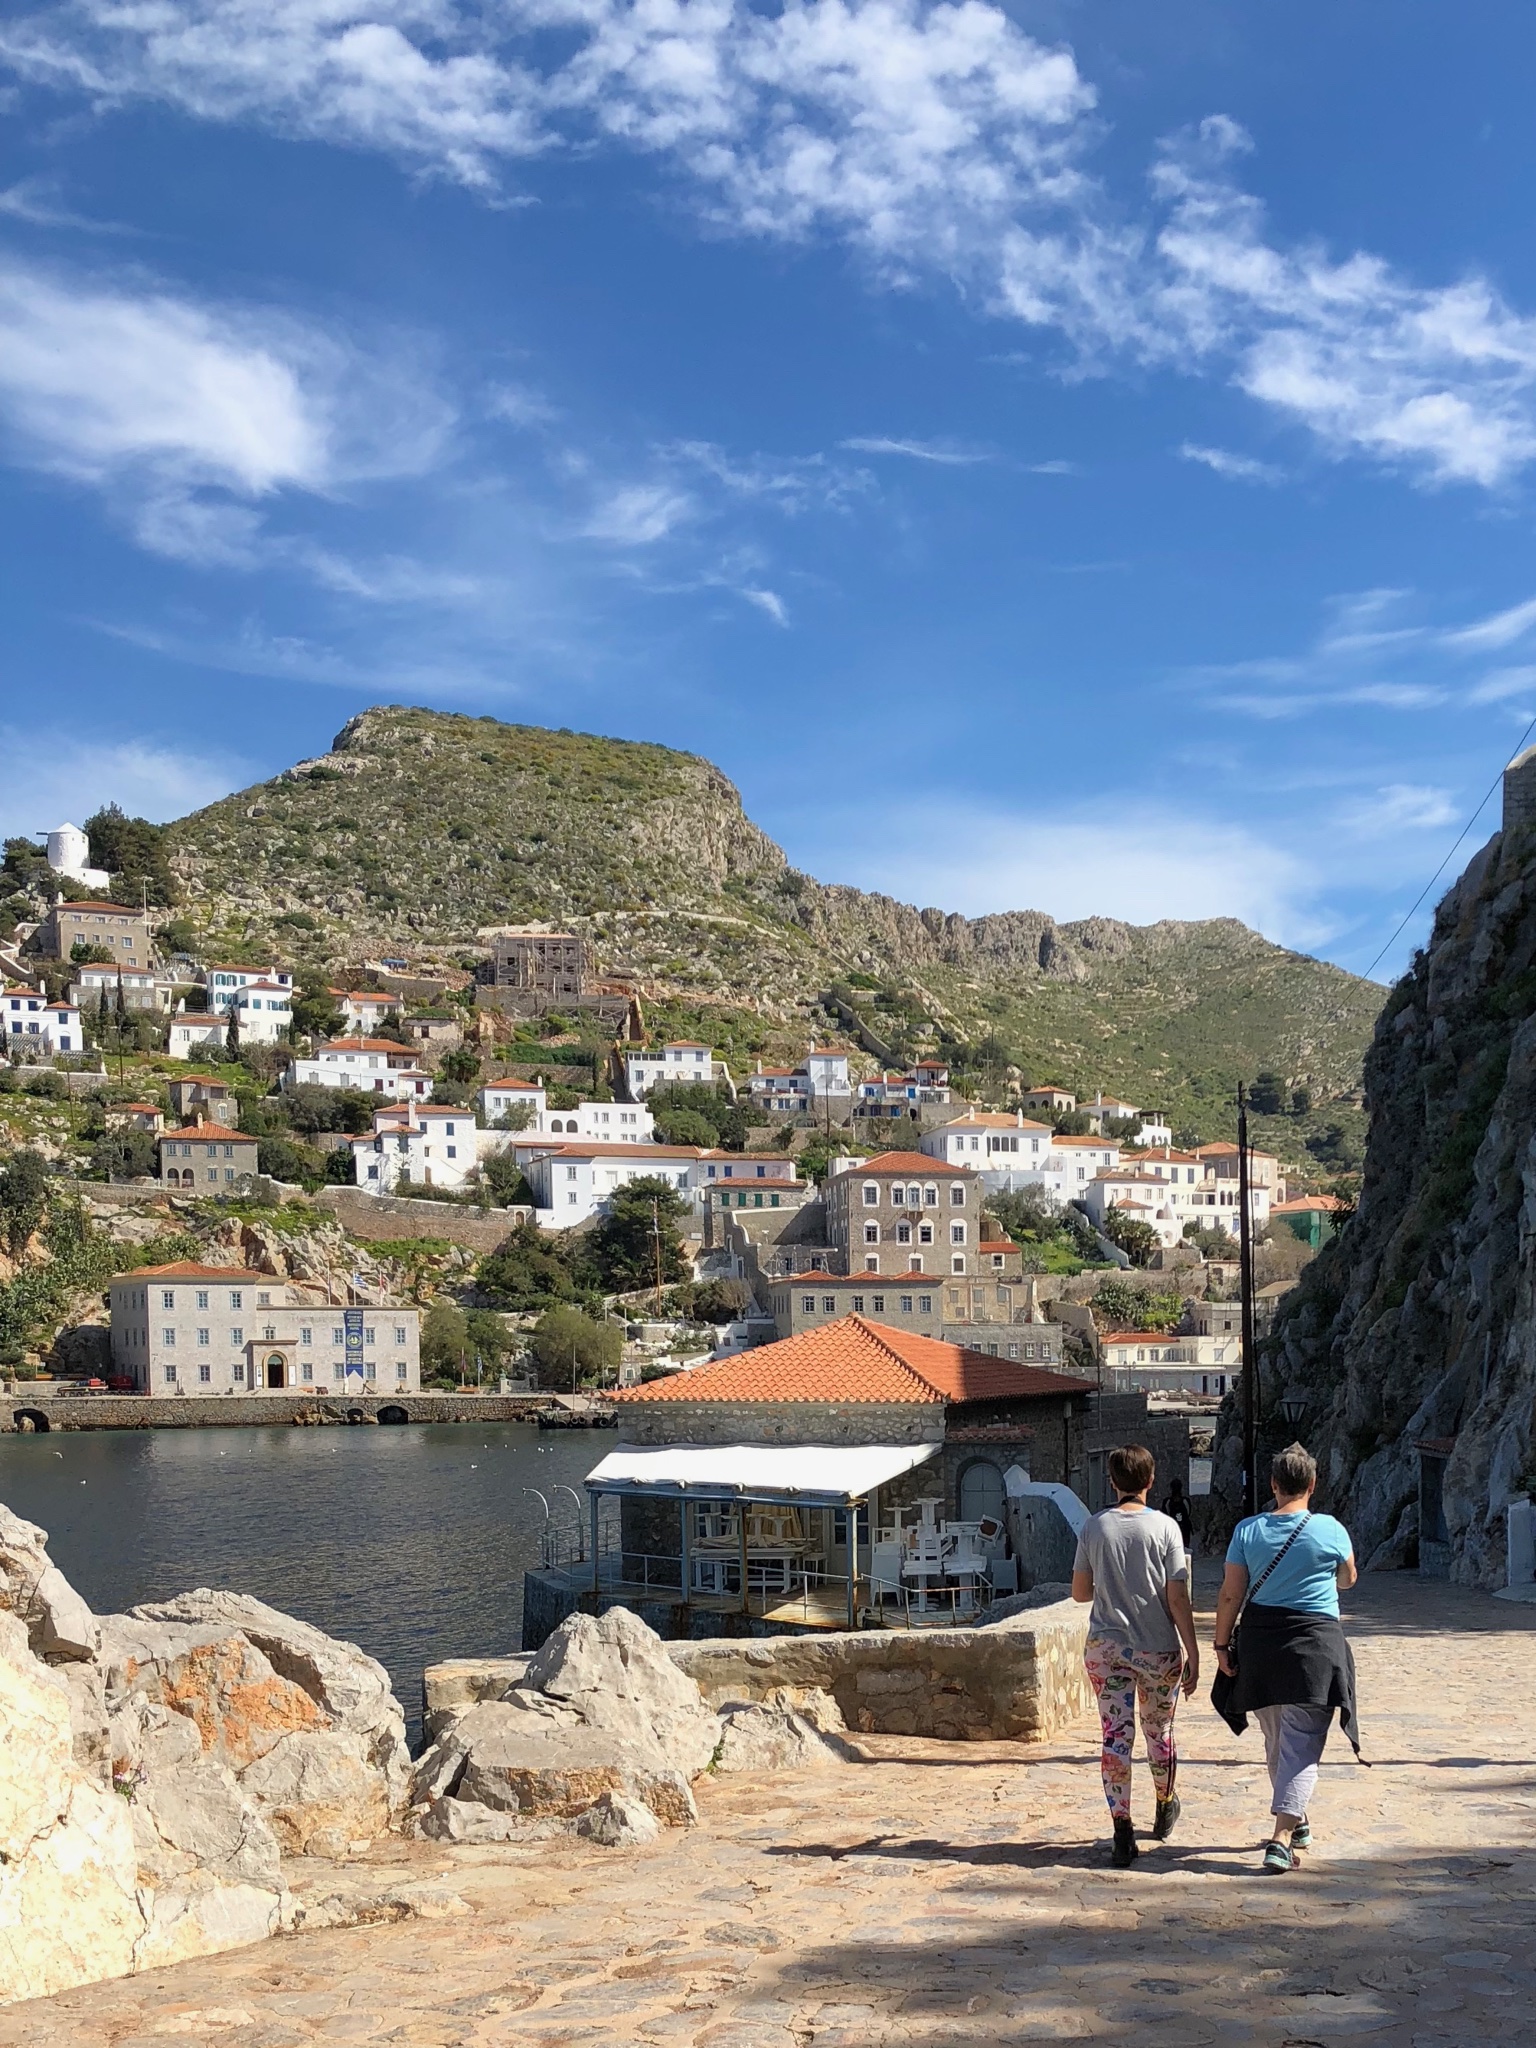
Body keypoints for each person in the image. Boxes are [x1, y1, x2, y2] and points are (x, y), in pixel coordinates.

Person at [1212, 1443, 1361, 1873]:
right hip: (1315, 1649)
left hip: (1261, 1647)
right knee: (1298, 1745)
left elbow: (1230, 1593)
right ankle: (1282, 1839)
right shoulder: (1331, 1529)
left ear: (1274, 1485)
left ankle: (1292, 1823)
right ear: (1312, 1485)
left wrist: (1222, 1646)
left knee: (1278, 1741)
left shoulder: (1248, 1531)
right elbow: (1348, 1579)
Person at [1072, 1444, 1200, 1867]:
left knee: (1116, 1736)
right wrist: (1194, 1650)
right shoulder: (1166, 1529)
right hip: (1158, 1649)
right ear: (1150, 1481)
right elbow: (1177, 1596)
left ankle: (1121, 1828)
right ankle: (1164, 1803)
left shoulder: (1094, 1528)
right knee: (1158, 1732)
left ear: (1112, 1483)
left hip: (1107, 1649)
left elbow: (1080, 1593)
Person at [1161, 1476, 1194, 1553]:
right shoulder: (1185, 1501)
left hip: (1172, 1529)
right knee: (1185, 1549)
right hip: (1185, 1529)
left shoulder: (1167, 1502)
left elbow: (1165, 1515)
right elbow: (1188, 1513)